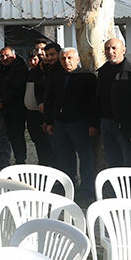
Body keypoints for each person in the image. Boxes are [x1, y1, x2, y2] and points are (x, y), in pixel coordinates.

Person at [44, 47, 98, 202]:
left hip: (80, 124)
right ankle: (69, 190)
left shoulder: (87, 77)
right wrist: (49, 121)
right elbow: (50, 100)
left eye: (69, 58)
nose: (66, 62)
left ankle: (87, 193)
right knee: (64, 159)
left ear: (77, 59)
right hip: (59, 124)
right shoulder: (56, 76)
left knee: (86, 159)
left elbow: (93, 103)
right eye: (63, 59)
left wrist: (93, 125)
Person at [98, 38, 131, 168]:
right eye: (107, 48)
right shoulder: (102, 72)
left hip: (127, 126)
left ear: (123, 50)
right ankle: (117, 188)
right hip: (106, 123)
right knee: (113, 162)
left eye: (114, 48)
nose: (110, 51)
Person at [0, 47, 28, 166]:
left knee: (17, 135)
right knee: (10, 135)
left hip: (16, 107)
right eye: (2, 56)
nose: (4, 58)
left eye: (7, 56)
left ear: (14, 56)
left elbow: (17, 88)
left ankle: (20, 160)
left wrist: (3, 101)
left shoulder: (20, 68)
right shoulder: (0, 68)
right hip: (4, 108)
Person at [24, 48, 56, 167]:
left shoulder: (49, 72)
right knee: (37, 140)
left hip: (43, 112)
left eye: (35, 59)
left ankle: (49, 165)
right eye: (30, 60)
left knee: (47, 142)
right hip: (31, 112)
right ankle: (42, 162)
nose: (33, 62)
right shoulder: (32, 72)